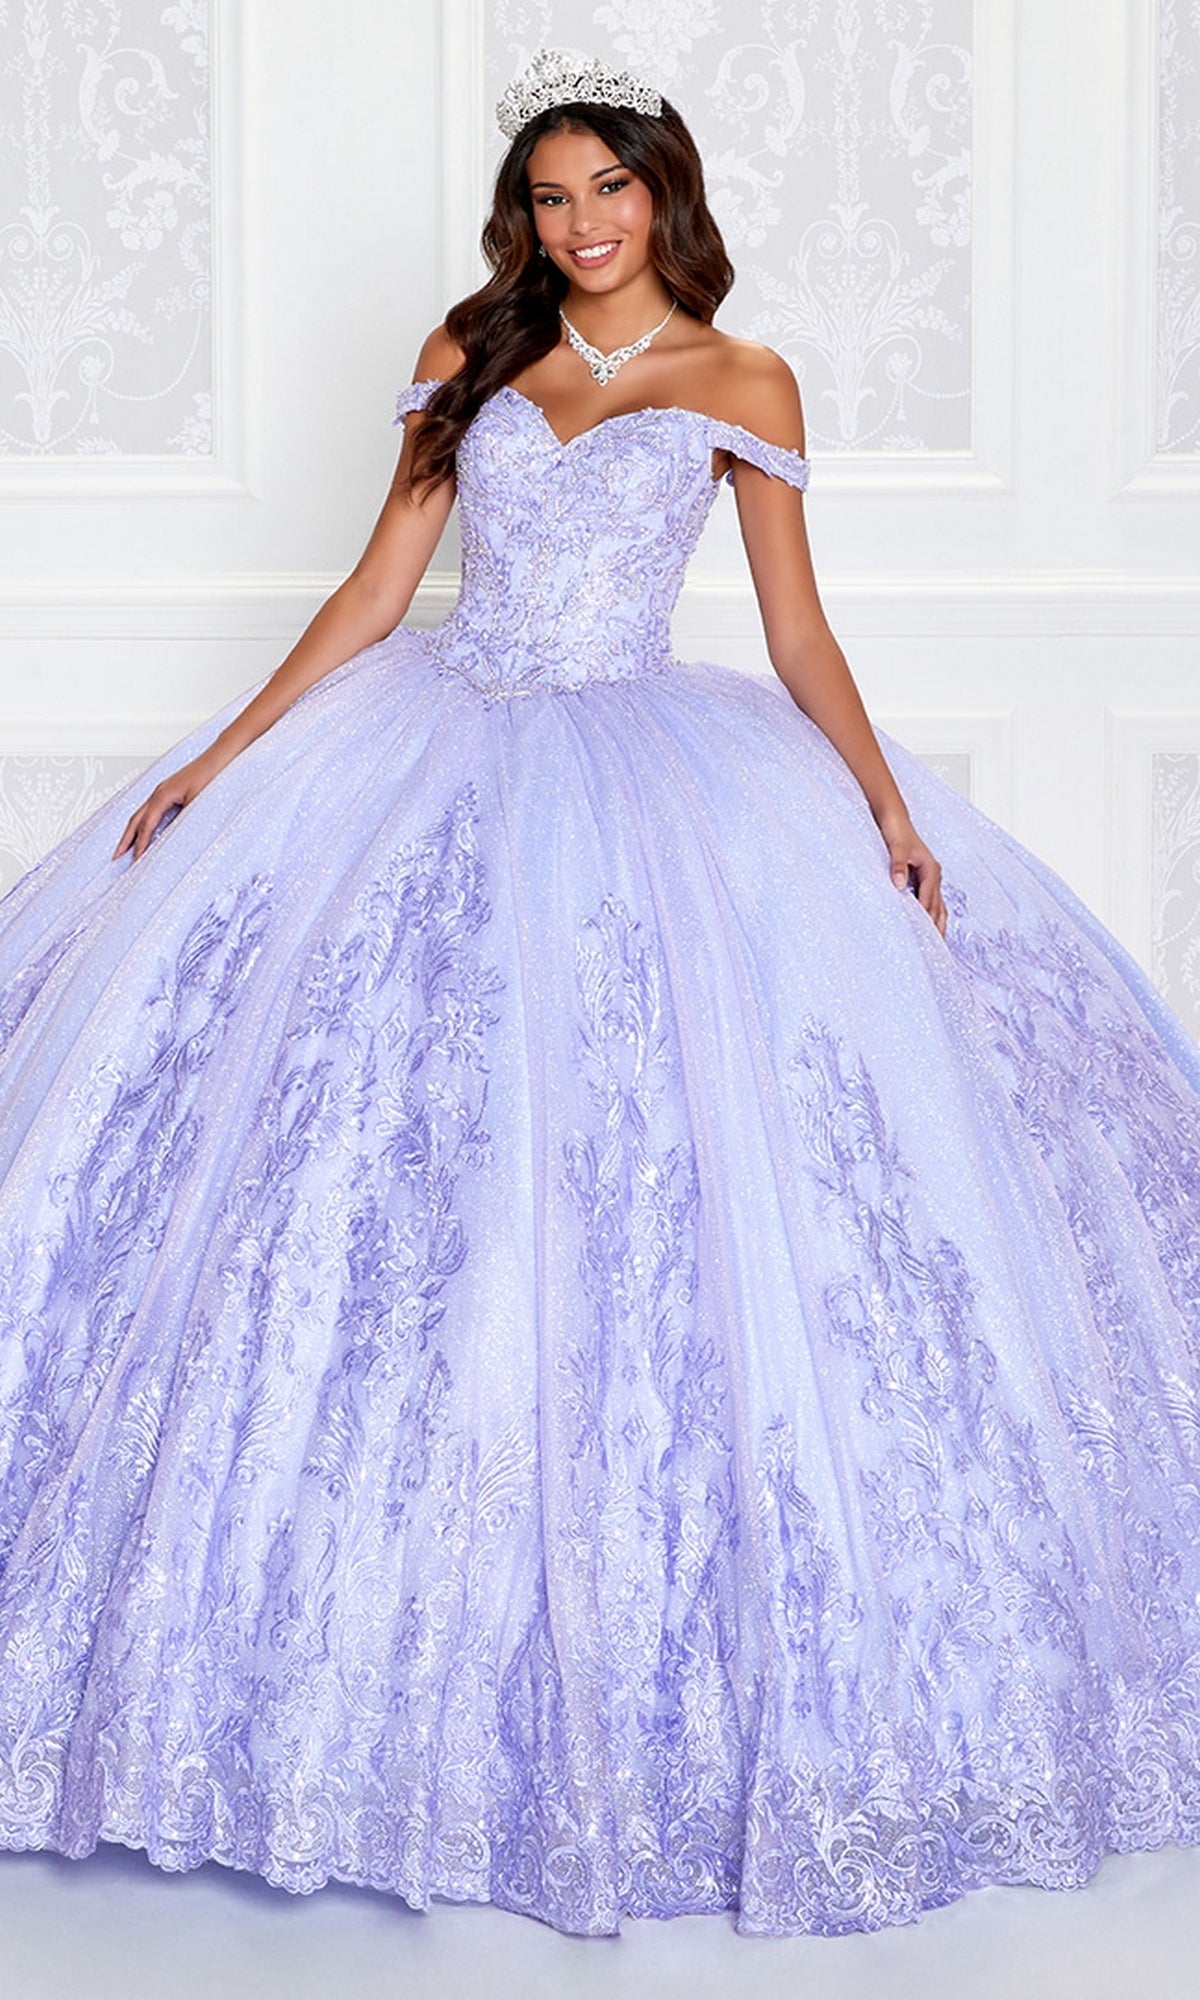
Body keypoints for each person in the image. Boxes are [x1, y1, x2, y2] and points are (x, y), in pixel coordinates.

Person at [1, 44, 1199, 1944]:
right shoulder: (471, 348)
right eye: (548, 199)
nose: (577, 228)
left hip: (654, 772)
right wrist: (228, 758)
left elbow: (795, 626)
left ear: (667, 197)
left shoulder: (744, 382)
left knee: (655, 1167)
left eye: (606, 193)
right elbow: (383, 585)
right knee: (393, 1160)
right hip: (438, 746)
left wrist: (884, 804)